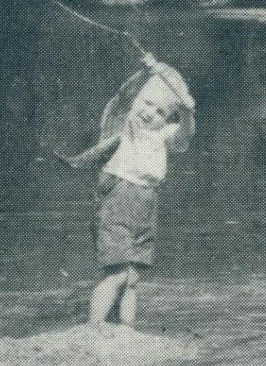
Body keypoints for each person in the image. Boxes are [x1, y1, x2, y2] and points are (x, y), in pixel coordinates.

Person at [58, 53, 196, 326]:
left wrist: (188, 112)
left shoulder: (162, 134)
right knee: (118, 274)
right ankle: (94, 330)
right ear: (137, 101)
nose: (149, 113)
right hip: (118, 196)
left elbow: (185, 135)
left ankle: (126, 333)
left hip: (146, 202)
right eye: (147, 104)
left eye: (160, 112)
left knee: (132, 278)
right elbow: (125, 96)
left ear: (167, 118)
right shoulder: (125, 122)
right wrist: (148, 71)